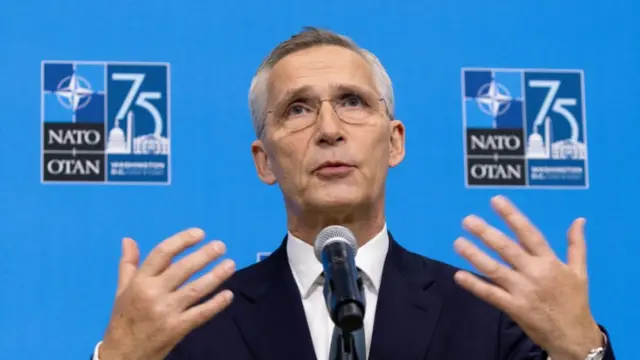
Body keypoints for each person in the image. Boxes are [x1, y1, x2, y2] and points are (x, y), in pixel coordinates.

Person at [91, 27, 615, 360]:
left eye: (353, 102)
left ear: (394, 142)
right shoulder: (194, 324)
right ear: (263, 161)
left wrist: (585, 351)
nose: (329, 129)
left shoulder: (489, 315)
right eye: (298, 109)